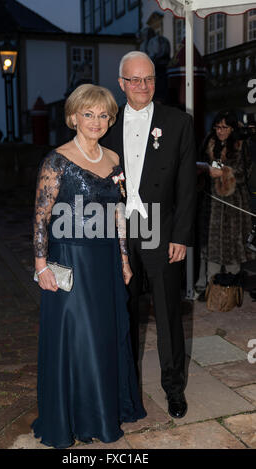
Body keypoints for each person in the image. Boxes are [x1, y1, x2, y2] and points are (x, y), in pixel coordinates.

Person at [31, 84, 146, 449]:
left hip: (106, 260)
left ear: (109, 119)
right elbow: (40, 217)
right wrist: (40, 266)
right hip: (70, 260)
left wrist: (124, 259)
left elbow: (118, 215)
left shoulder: (114, 159)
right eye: (88, 114)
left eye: (102, 115)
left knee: (107, 335)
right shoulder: (56, 160)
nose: (95, 121)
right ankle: (77, 417)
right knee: (77, 338)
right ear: (73, 117)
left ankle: (104, 410)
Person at [102, 51, 197, 419]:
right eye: (135, 80)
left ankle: (174, 389)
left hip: (162, 228)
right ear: (122, 83)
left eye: (149, 79)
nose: (143, 86)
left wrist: (181, 235)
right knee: (122, 311)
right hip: (120, 231)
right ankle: (126, 386)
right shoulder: (104, 125)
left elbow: (187, 186)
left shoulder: (179, 122)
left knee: (168, 312)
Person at [197, 110, 254, 284]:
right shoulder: (209, 141)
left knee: (232, 247)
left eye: (224, 127)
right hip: (212, 202)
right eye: (217, 127)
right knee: (211, 246)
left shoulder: (240, 144)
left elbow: (245, 173)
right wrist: (205, 170)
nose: (220, 131)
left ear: (232, 128)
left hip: (233, 204)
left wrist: (224, 173)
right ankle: (210, 286)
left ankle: (232, 287)